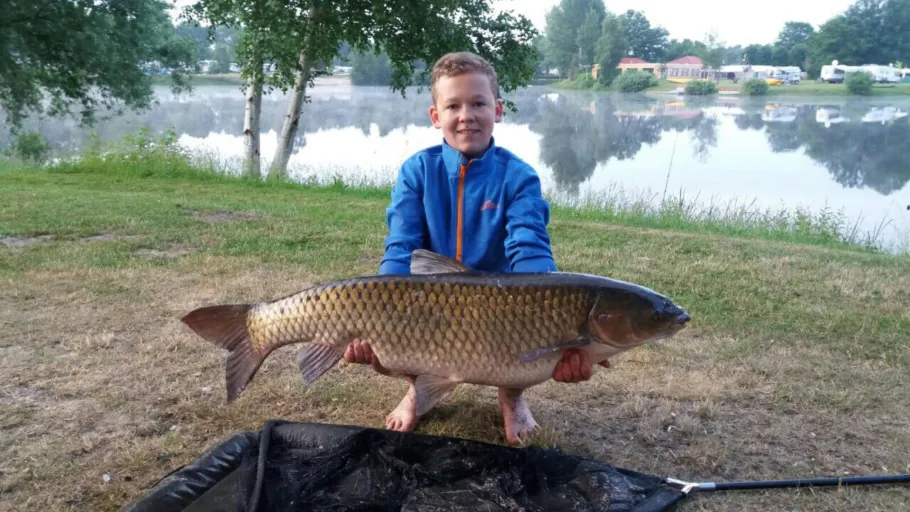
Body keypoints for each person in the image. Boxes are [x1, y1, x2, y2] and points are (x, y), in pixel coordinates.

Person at [344, 51, 610, 444]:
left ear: (497, 110)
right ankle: (420, 390)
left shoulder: (518, 177)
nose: (466, 114)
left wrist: (555, 320)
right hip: (431, 300)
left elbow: (530, 249)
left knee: (525, 338)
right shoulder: (417, 172)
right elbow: (401, 247)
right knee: (383, 339)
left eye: (478, 103)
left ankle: (512, 395)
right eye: (453, 105)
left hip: (499, 303)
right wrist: (382, 308)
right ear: (436, 116)